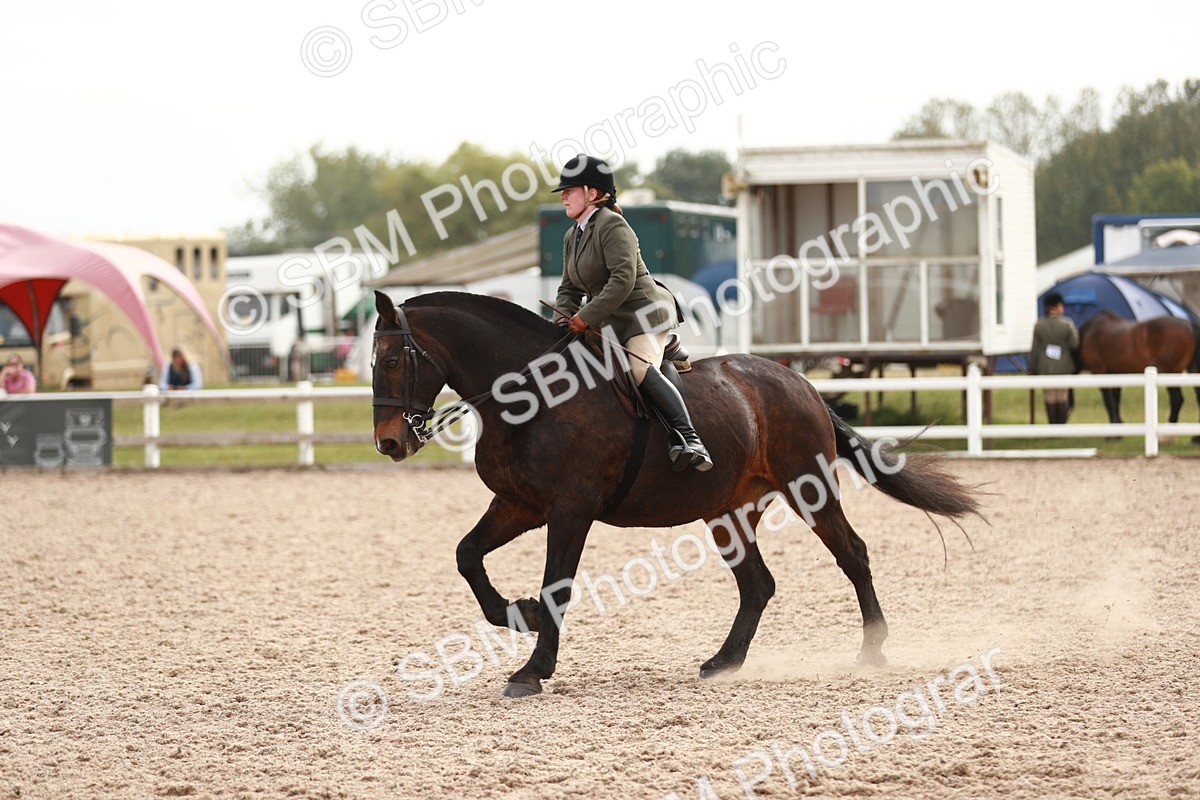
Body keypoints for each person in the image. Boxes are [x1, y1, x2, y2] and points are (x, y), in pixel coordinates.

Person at [551, 153, 712, 472]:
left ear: (592, 193)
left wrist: (585, 317)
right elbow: (569, 288)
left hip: (644, 313)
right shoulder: (572, 236)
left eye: (569, 190)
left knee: (638, 368)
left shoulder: (613, 225)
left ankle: (689, 438)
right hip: (609, 320)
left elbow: (622, 279)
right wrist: (560, 320)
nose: (563, 196)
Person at [1029, 292, 1079, 424]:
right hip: (1063, 365)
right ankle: (1061, 424)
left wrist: (1032, 367)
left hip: (1046, 366)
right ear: (1058, 306)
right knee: (1062, 395)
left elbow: (1034, 349)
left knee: (1050, 396)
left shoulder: (1039, 325)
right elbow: (1074, 344)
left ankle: (1052, 423)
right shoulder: (1067, 324)